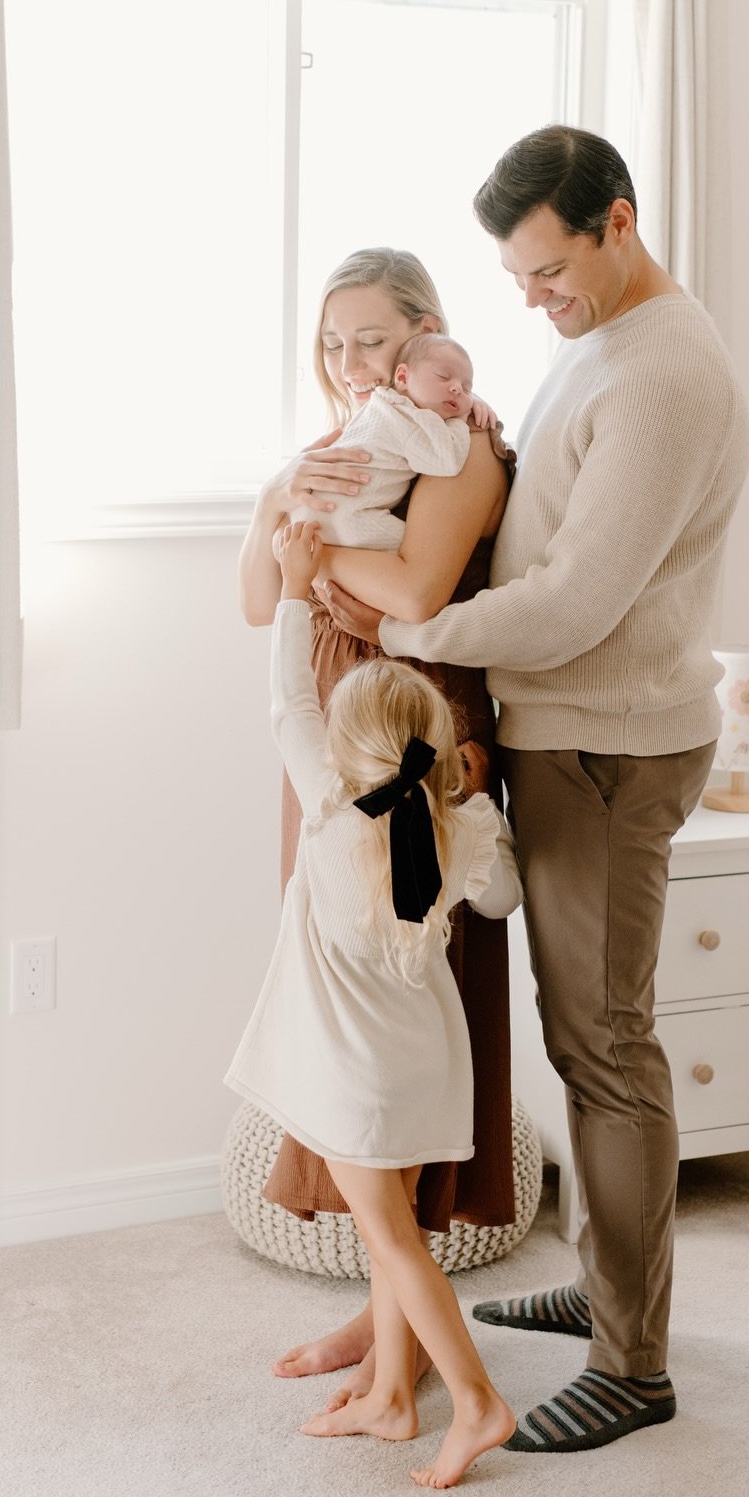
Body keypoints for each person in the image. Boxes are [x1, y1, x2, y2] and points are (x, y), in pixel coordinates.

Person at [318, 126, 749, 1455]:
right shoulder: (601, 341)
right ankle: (613, 1287)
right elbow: (535, 520)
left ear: (618, 222)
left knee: (607, 1046)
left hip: (612, 744)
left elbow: (573, 600)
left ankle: (635, 1362)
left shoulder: (667, 371)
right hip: (569, 731)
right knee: (584, 1038)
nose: (532, 297)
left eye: (550, 268)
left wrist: (405, 628)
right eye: (515, 275)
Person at [236, 247, 516, 1408]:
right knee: (336, 1005)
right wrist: (275, 506)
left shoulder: (463, 447)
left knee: (409, 1012)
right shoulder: (342, 450)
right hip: (325, 714)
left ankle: (399, 1321)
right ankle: (387, 1314)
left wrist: (310, 558)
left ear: (424, 338)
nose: (350, 361)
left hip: (406, 716)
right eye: (333, 340)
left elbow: (414, 593)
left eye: (373, 339)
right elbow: (260, 599)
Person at [227, 520, 522, 1487]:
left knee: (393, 1243)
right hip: (428, 1058)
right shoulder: (458, 822)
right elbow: (503, 899)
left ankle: (476, 1402)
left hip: (357, 1075)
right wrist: (477, 803)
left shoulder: (327, 808)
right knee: (393, 1233)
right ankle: (394, 1395)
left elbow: (285, 704)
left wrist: (301, 589)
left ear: (347, 747)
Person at [289, 333, 484, 551]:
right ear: (402, 377)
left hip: (309, 511)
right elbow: (448, 461)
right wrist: (460, 419)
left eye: (468, 389)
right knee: (421, 548)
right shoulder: (412, 419)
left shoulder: (380, 403)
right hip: (348, 517)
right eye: (443, 377)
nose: (457, 388)